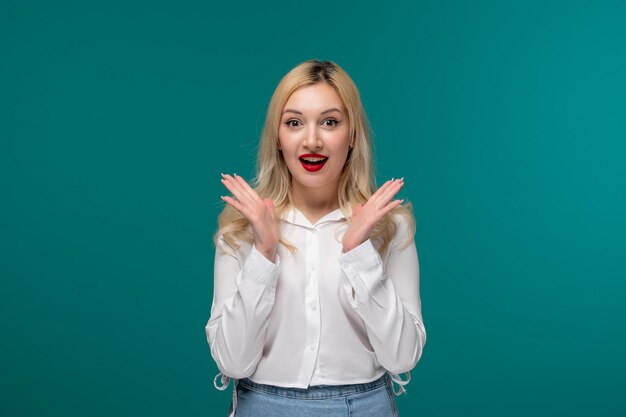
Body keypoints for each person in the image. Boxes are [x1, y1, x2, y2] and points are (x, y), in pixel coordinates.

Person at [205, 59, 426, 417]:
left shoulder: (389, 226)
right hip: (261, 406)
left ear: (352, 135)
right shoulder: (241, 228)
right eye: (294, 123)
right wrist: (263, 252)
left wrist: (359, 254)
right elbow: (233, 362)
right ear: (278, 137)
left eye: (330, 122)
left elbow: (402, 357)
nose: (312, 140)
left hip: (366, 407)